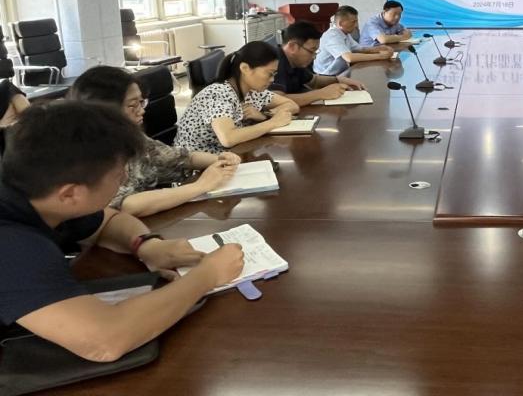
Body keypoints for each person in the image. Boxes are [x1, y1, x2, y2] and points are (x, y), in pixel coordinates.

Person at [0, 101, 244, 362]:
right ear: (70, 193)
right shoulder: (12, 244)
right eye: (118, 175)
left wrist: (146, 245)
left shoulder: (41, 194)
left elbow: (109, 220)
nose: (125, 180)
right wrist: (207, 275)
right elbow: (104, 341)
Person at [69, 66, 240, 217]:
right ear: (102, 109)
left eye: (141, 102)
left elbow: (181, 157)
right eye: (133, 105)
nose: (141, 110)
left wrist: (220, 159)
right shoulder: (88, 154)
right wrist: (200, 186)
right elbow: (125, 206)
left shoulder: (130, 136)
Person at [175, 41, 299, 153]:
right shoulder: (217, 94)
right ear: (245, 68)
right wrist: (272, 122)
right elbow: (228, 138)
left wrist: (264, 115)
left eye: (274, 74)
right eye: (269, 74)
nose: (272, 80)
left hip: (230, 156)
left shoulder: (253, 91)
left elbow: (292, 105)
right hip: (196, 165)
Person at [271, 21, 366, 106]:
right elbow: (276, 100)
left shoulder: (295, 62)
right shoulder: (273, 62)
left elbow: (314, 81)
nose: (314, 57)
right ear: (292, 47)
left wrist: (339, 80)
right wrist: (320, 94)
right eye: (311, 51)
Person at [314, 6, 393, 76]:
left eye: (356, 21)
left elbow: (360, 49)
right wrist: (380, 56)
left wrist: (379, 48)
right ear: (341, 23)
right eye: (353, 22)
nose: (356, 25)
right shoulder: (332, 35)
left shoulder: (345, 33)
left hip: (340, 72)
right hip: (325, 76)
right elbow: (349, 57)